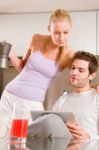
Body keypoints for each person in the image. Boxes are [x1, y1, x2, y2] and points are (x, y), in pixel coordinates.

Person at [0, 8, 74, 115]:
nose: (61, 37)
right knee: (2, 132)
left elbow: (83, 75)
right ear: (49, 29)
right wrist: (11, 53)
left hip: (32, 103)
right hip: (9, 96)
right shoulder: (37, 39)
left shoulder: (69, 55)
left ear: (70, 29)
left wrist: (94, 87)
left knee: (29, 132)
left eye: (65, 32)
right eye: (56, 33)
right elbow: (22, 67)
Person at [28, 51, 99, 140]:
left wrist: (88, 137)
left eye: (80, 70)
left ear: (92, 75)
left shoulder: (96, 98)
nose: (74, 73)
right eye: (73, 68)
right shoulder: (63, 100)